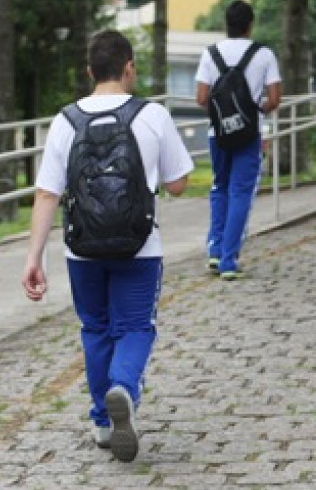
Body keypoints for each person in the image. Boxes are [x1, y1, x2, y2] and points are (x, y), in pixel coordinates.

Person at [21, 30, 194, 462]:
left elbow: (46, 193)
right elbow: (177, 183)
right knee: (135, 327)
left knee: (95, 329)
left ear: (90, 71)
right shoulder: (152, 115)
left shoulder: (65, 121)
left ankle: (103, 420)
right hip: (139, 246)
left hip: (82, 249)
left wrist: (34, 258)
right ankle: (124, 388)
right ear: (129, 67)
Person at [195, 0, 282, 280]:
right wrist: (255, 111)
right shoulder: (264, 55)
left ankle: (215, 249)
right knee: (241, 192)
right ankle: (229, 260)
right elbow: (275, 99)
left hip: (217, 134)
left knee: (219, 187)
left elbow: (201, 98)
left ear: (227, 24)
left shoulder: (210, 54)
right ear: (250, 25)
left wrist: (223, 113)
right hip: (248, 133)